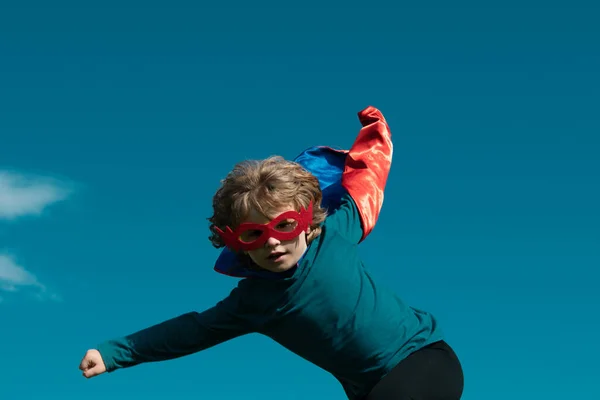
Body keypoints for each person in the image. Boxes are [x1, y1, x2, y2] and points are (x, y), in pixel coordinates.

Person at [79, 106, 464, 399]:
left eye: (284, 226)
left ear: (306, 220)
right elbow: (190, 331)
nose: (273, 243)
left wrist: (374, 134)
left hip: (424, 359)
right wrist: (115, 353)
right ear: (235, 242)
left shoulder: (333, 235)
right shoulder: (253, 302)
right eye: (253, 235)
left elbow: (366, 181)